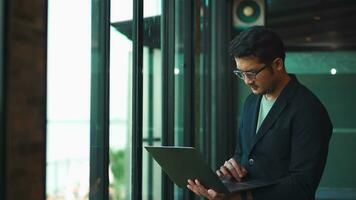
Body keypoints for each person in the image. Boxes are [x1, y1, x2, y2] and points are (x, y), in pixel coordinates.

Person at [187, 26, 333, 200]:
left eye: (251, 73)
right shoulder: (251, 102)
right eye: (240, 73)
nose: (247, 81)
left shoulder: (309, 110)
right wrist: (230, 174)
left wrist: (241, 198)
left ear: (277, 64)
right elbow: (243, 156)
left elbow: (302, 186)